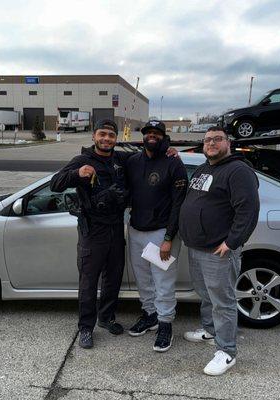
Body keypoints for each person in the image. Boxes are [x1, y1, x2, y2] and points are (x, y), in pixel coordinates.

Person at [179, 126, 259, 375]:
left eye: (217, 139)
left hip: (218, 250)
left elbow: (248, 210)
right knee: (206, 294)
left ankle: (227, 351)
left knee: (222, 301)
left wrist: (232, 242)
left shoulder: (238, 171)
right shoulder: (205, 168)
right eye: (207, 140)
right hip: (197, 246)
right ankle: (209, 331)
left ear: (228, 143)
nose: (211, 143)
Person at [50, 119, 129, 349]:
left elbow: (145, 158)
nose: (106, 139)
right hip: (92, 229)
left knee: (113, 277)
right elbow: (56, 183)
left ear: (116, 139)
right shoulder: (82, 160)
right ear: (94, 136)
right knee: (88, 281)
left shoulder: (120, 159)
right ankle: (86, 327)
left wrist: (172, 152)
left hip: (115, 227)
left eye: (111, 135)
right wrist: (77, 173)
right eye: (102, 134)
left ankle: (106, 318)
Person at [126, 120, 188, 352]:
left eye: (157, 133)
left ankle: (165, 325)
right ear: (143, 137)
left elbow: (178, 204)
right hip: (136, 230)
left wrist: (169, 237)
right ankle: (150, 315)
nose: (152, 136)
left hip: (161, 233)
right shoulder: (133, 161)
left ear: (164, 137)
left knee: (163, 284)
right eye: (148, 133)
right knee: (143, 281)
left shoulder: (174, 163)